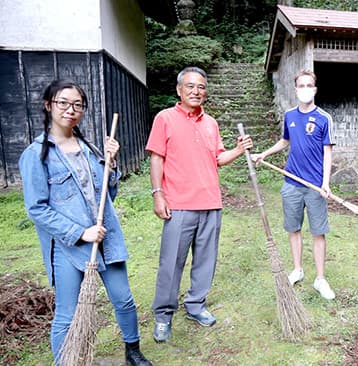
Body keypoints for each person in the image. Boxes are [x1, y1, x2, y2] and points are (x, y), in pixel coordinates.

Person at [19, 79, 152, 365]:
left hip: (106, 236)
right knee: (67, 315)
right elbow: (37, 209)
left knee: (124, 300)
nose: (71, 109)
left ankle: (132, 351)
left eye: (78, 105)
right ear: (48, 106)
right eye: (63, 103)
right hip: (68, 247)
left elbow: (108, 194)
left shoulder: (89, 147)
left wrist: (111, 163)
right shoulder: (35, 155)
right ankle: (65, 361)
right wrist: (81, 232)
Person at [146, 66, 253, 342]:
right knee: (171, 263)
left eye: (201, 87)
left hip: (211, 202)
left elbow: (218, 157)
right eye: (191, 86)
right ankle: (163, 315)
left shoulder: (211, 123)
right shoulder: (165, 118)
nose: (196, 91)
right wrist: (158, 193)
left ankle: (196, 305)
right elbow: (156, 157)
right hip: (179, 204)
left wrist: (239, 150)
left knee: (206, 260)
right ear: (179, 90)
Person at [251, 69, 336, 300]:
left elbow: (327, 153)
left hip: (315, 186)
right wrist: (263, 154)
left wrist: (326, 182)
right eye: (302, 85)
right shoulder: (290, 115)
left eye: (310, 85)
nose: (305, 89)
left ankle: (320, 279)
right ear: (296, 89)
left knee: (318, 232)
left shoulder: (324, 118)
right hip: (291, 183)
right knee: (293, 228)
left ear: (315, 89)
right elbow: (285, 141)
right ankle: (297, 270)